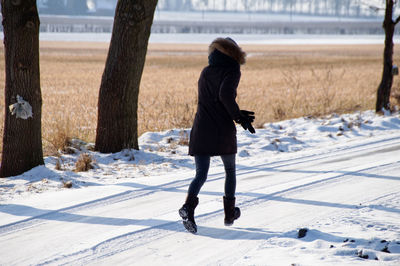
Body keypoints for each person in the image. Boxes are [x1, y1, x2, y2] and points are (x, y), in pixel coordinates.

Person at [179, 37, 256, 234]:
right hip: (222, 128)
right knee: (229, 170)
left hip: (202, 126)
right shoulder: (232, 70)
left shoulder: (206, 71)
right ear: (233, 54)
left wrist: (238, 113)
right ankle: (229, 214)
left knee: (201, 174)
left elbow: (214, 98)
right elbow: (224, 96)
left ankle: (188, 207)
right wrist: (238, 117)